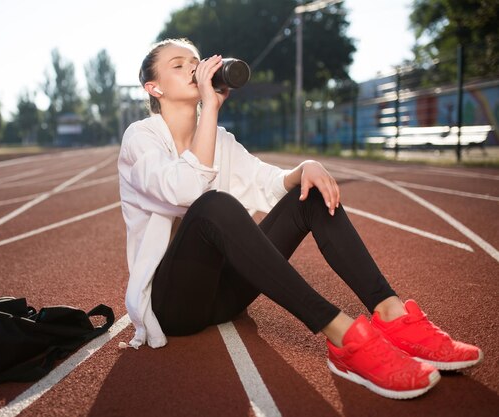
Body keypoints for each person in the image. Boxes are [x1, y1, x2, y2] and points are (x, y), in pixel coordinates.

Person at [117, 38, 482, 400]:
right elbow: (187, 192)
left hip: (225, 298)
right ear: (154, 87)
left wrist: (304, 168)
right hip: (173, 306)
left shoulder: (220, 140)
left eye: (195, 61)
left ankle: (391, 313)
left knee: (310, 194)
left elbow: (268, 184)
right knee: (214, 205)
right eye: (178, 65)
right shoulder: (141, 138)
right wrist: (210, 110)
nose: (193, 69)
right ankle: (344, 337)